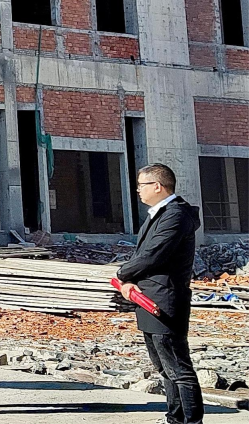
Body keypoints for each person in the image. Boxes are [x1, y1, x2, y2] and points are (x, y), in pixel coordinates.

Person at [117, 164, 203, 424]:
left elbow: (153, 254)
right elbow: (144, 255)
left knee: (178, 368)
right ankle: (174, 418)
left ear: (157, 186)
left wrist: (122, 274)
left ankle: (192, 421)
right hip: (148, 298)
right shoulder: (159, 214)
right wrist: (129, 280)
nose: (138, 190)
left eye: (141, 185)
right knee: (165, 369)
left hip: (165, 300)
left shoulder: (175, 215)